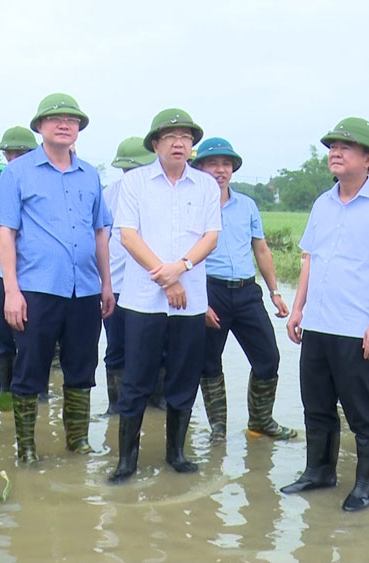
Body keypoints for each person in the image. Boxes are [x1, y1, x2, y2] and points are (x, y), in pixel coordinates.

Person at [280, 117, 369, 511]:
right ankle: (319, 472)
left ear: (368, 158)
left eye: (345, 148)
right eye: (332, 147)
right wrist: (298, 307)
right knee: (316, 405)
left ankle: (366, 486)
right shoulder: (322, 203)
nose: (335, 153)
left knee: (362, 411)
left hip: (356, 327)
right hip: (317, 322)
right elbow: (309, 259)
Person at [0, 93, 115, 464]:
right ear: (40, 127)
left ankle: (77, 443)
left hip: (85, 289)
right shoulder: (17, 173)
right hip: (37, 289)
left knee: (81, 367)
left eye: (72, 120)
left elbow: (100, 233)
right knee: (29, 369)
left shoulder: (90, 174)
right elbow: (5, 233)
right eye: (56, 119)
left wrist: (106, 285)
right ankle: (26, 449)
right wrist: (11, 291)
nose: (64, 125)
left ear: (78, 130)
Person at [109, 108, 221, 483]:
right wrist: (167, 277)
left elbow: (211, 236)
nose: (179, 143)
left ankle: (176, 452)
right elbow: (128, 236)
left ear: (192, 145)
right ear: (155, 144)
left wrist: (182, 268)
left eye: (186, 137)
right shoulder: (135, 183)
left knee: (183, 378)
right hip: (143, 300)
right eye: (171, 137)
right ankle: (127, 461)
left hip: (189, 304)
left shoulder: (205, 185)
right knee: (136, 380)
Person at [191, 137, 296, 442]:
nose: (220, 170)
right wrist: (200, 301)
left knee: (268, 358)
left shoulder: (247, 205)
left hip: (247, 292)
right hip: (210, 290)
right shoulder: (192, 206)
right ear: (200, 167)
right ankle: (218, 429)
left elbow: (260, 249)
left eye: (226, 164)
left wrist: (275, 291)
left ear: (233, 169)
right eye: (213, 163)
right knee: (208, 362)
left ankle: (261, 421)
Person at [101, 137, 166, 415]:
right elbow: (100, 238)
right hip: (116, 285)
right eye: (126, 170)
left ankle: (157, 402)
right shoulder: (108, 194)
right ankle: (116, 405)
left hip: (152, 284)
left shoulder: (161, 192)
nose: (131, 175)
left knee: (159, 348)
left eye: (135, 169)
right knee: (116, 347)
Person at [0, 126, 38, 411]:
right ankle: (6, 391)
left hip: (31, 273)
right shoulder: (3, 179)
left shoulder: (42, 178)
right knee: (0, 330)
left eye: (20, 153)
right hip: (0, 272)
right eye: (9, 153)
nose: (14, 158)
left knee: (32, 331)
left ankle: (34, 391)